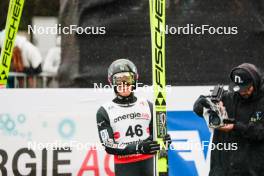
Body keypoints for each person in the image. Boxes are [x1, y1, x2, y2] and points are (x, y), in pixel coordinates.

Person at [96, 59, 170, 176]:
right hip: (125, 167)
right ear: (111, 82)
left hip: (150, 163)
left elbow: (158, 137)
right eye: (119, 80)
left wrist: (164, 141)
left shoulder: (148, 105)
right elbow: (108, 145)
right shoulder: (104, 111)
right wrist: (137, 147)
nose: (124, 85)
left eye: (127, 79)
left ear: (135, 79)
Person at [193, 63, 264, 176]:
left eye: (247, 88)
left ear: (255, 82)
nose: (243, 92)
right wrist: (205, 105)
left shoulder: (261, 102)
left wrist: (235, 126)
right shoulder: (227, 97)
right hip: (222, 170)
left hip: (252, 170)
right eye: (240, 89)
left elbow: (259, 132)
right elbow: (199, 107)